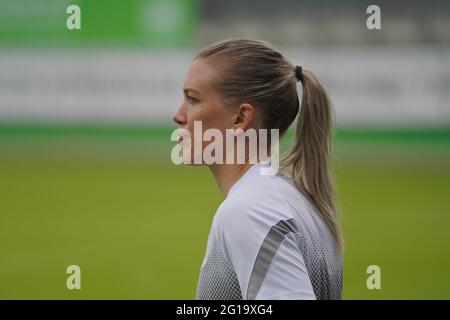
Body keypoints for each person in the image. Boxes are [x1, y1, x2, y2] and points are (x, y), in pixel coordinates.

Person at [173, 38, 343, 300]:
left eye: (193, 99)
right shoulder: (289, 196)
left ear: (240, 118)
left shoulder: (250, 209)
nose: (179, 115)